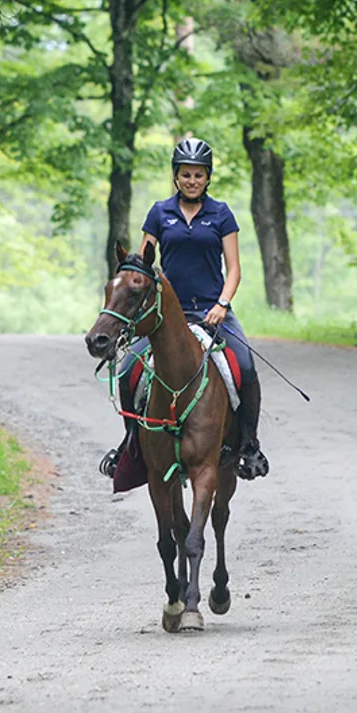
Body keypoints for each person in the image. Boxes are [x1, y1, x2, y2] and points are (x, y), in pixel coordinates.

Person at [102, 137, 268, 480]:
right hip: (166, 314)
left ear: (208, 178)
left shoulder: (221, 214)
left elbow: (234, 268)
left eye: (198, 175)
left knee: (246, 368)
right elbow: (141, 268)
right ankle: (131, 439)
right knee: (127, 368)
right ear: (176, 177)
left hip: (212, 309)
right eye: (186, 174)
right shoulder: (159, 213)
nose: (192, 180)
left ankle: (249, 446)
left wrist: (223, 304)